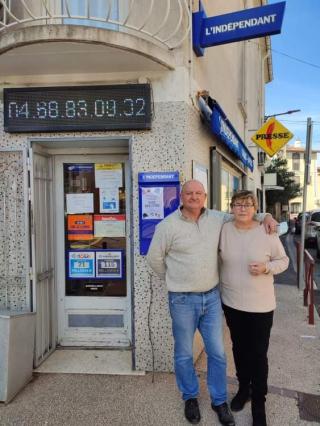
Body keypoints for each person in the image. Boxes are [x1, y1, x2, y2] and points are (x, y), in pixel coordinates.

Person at [147, 180, 277, 426]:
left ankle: (219, 401)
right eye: (189, 193)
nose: (194, 197)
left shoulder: (217, 218)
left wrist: (268, 215)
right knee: (184, 353)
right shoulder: (168, 226)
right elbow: (154, 259)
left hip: (211, 297)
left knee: (217, 353)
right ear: (181, 196)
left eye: (198, 193)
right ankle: (190, 397)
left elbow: (245, 211)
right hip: (182, 299)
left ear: (205, 196)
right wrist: (175, 278)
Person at [219, 190, 289, 426]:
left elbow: (284, 261)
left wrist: (266, 267)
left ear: (254, 208)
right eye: (238, 204)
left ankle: (259, 403)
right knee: (239, 349)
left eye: (248, 205)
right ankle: (243, 390)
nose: (242, 209)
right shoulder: (224, 229)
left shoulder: (266, 231)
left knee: (258, 355)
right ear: (232, 207)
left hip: (260, 306)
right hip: (231, 302)